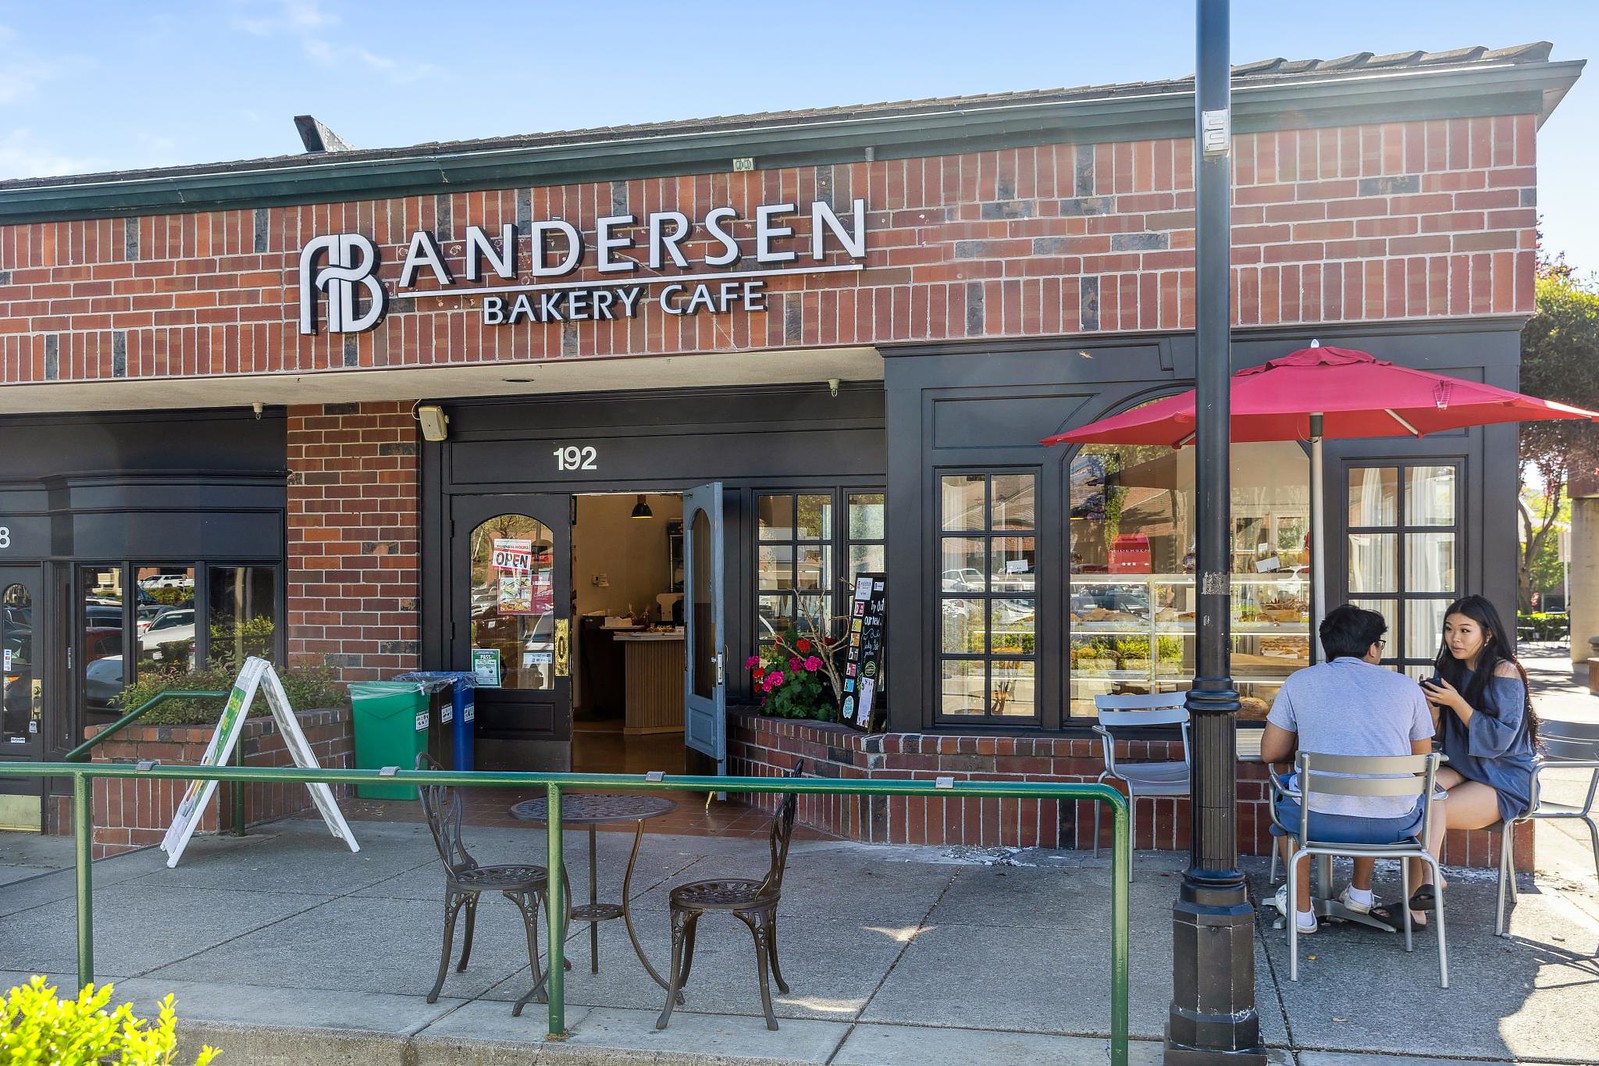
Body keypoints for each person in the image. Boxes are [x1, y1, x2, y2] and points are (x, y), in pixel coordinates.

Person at [1259, 605, 1434, 934]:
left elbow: (1270, 752)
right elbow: (1422, 761)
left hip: (1316, 822)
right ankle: (1360, 892)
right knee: (1372, 790)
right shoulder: (1407, 687)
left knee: (1288, 801)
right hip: (1394, 825)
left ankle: (1301, 910)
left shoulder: (1300, 682)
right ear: (1372, 648)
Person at [1400, 594, 1537, 926]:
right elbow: (1438, 734)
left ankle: (1422, 893)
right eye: (1449, 629)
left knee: (1426, 810)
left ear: (1487, 633)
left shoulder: (1505, 671)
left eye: (1465, 630)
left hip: (1504, 777)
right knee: (1411, 797)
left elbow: (1499, 741)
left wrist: (1456, 702)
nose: (1455, 638)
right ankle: (1423, 892)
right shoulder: (1449, 670)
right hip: (1463, 767)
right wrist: (1432, 708)